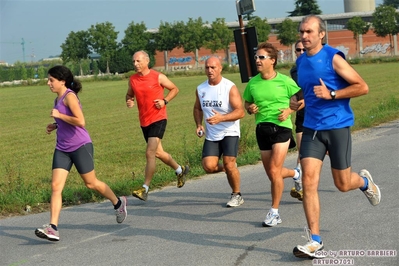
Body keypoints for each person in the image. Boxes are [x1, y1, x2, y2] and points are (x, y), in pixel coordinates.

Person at [290, 15, 381, 259]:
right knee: (308, 182)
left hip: (337, 127)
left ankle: (363, 182)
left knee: (342, 184)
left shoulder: (333, 58)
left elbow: (362, 86)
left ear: (321, 34)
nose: (304, 36)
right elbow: (305, 92)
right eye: (301, 32)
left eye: (309, 31)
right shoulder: (300, 63)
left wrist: (331, 93)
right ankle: (315, 241)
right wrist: (296, 101)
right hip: (311, 129)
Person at [35, 66, 127, 242]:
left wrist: (59, 116)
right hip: (62, 148)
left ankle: (118, 202)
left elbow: (81, 121)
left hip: (80, 146)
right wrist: (55, 125)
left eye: (51, 80)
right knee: (55, 186)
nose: (48, 83)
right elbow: (65, 120)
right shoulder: (58, 99)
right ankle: (52, 227)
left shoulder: (69, 96)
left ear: (62, 81)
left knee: (91, 183)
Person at [243, 42, 302, 227]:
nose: (257, 61)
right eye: (256, 57)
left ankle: (274, 212)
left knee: (275, 171)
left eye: (261, 57)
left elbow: (302, 100)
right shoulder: (253, 83)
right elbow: (247, 104)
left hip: (281, 127)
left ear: (272, 60)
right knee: (272, 174)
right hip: (262, 129)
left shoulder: (284, 81)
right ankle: (295, 173)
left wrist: (289, 111)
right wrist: (250, 108)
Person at [126, 50, 189, 201]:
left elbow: (175, 89)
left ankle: (145, 188)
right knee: (158, 153)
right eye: (134, 61)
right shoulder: (133, 80)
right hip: (144, 121)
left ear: (147, 61)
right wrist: (129, 101)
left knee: (150, 153)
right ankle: (180, 170)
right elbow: (129, 94)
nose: (135, 64)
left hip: (158, 119)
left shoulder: (158, 76)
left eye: (138, 61)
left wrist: (165, 101)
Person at [193, 57, 245, 207]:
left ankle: (237, 194)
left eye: (213, 67)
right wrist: (198, 124)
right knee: (208, 166)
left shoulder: (229, 87)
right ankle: (231, 169)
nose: (210, 70)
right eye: (207, 67)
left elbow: (240, 112)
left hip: (230, 131)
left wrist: (221, 118)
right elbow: (197, 108)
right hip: (212, 134)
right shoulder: (201, 89)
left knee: (229, 164)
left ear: (220, 68)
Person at [289, 40, 306, 201]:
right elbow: (295, 92)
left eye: (303, 49)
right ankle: (299, 185)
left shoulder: (316, 68)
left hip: (319, 116)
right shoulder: (294, 70)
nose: (300, 52)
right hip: (302, 116)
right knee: (302, 151)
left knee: (330, 152)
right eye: (298, 50)